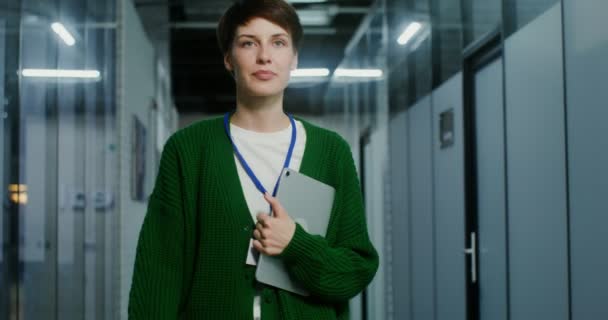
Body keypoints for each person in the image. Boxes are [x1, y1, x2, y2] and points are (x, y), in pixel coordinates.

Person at [128, 0, 378, 319]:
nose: (264, 56)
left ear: (294, 59)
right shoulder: (189, 149)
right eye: (249, 43)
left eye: (278, 42)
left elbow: (354, 271)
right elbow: (159, 274)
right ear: (229, 59)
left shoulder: (332, 151)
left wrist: (296, 245)